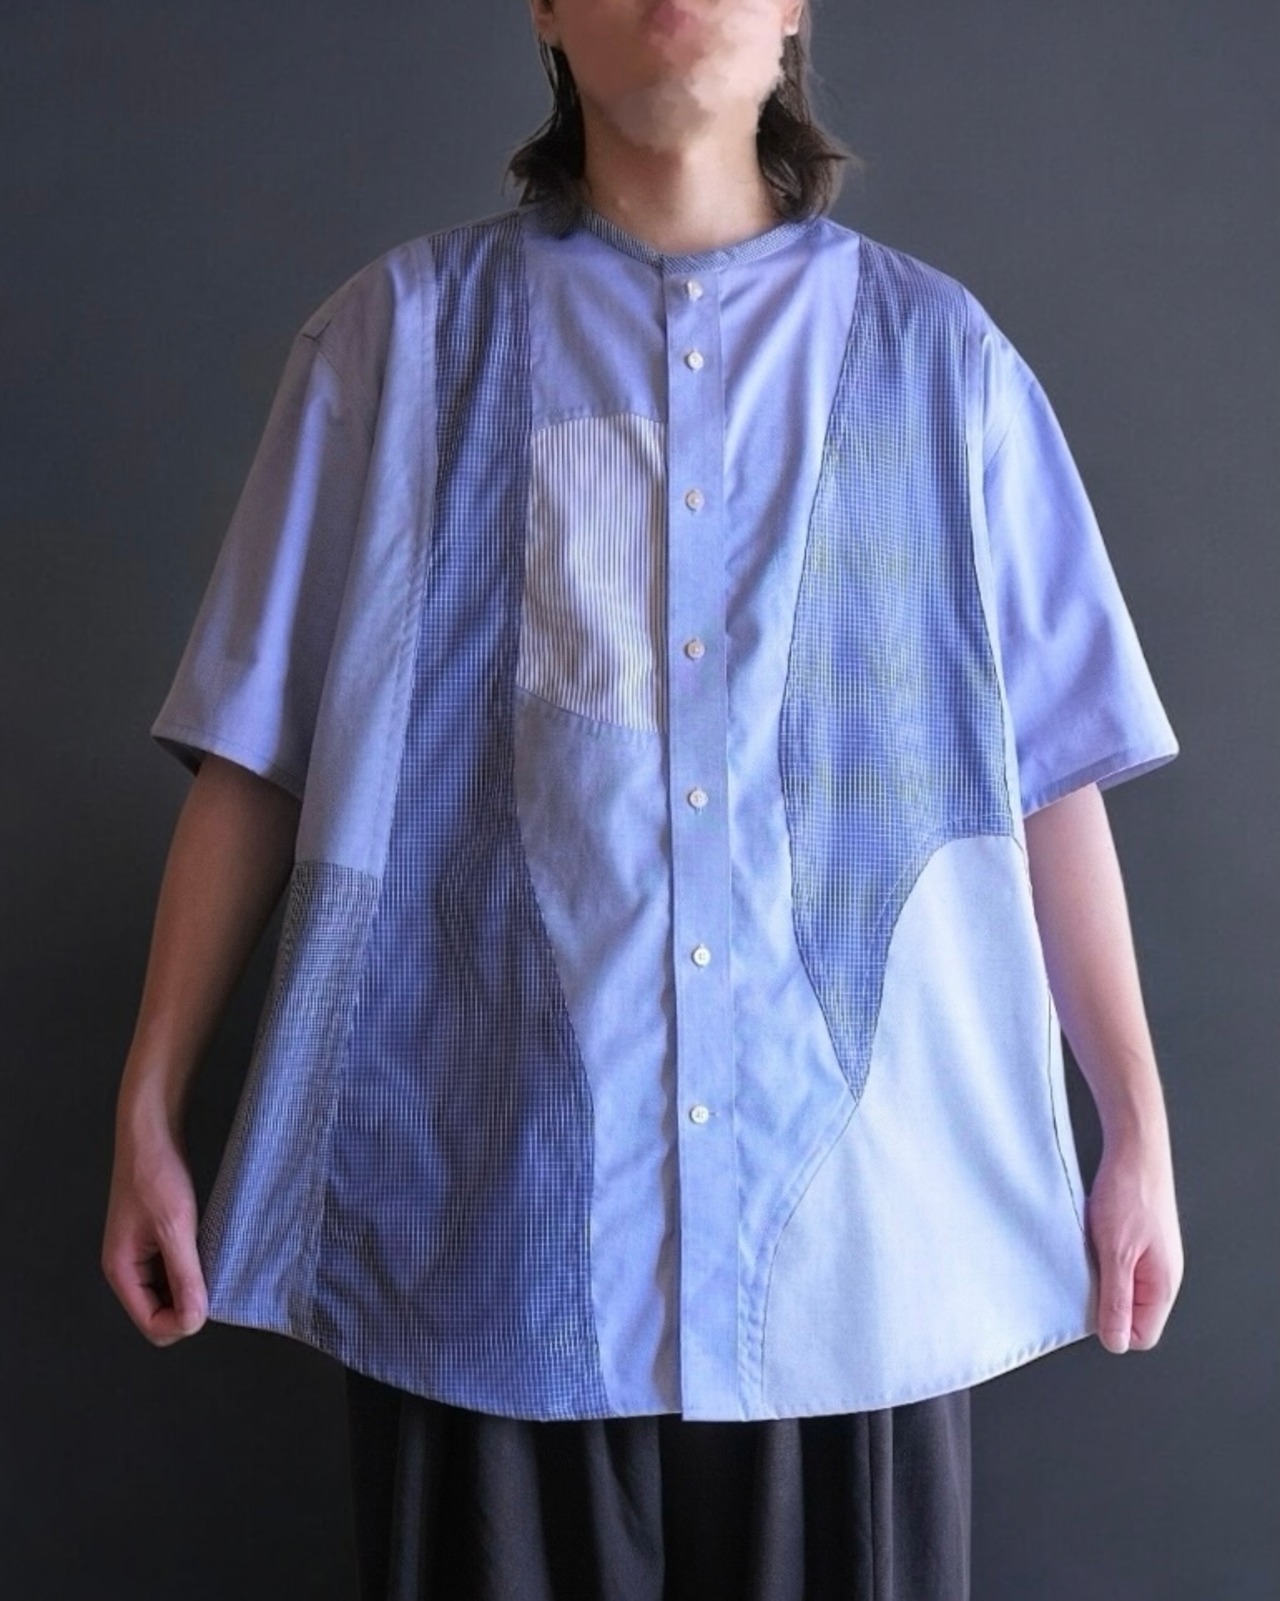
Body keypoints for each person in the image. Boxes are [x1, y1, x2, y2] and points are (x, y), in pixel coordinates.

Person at [102, 1, 1187, 1596]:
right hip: (485, 1215)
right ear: (546, 10)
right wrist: (148, 1105)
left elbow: (1044, 782)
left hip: (859, 1245)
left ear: (795, 8)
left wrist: (1136, 1130)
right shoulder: (395, 344)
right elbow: (261, 758)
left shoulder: (944, 362)